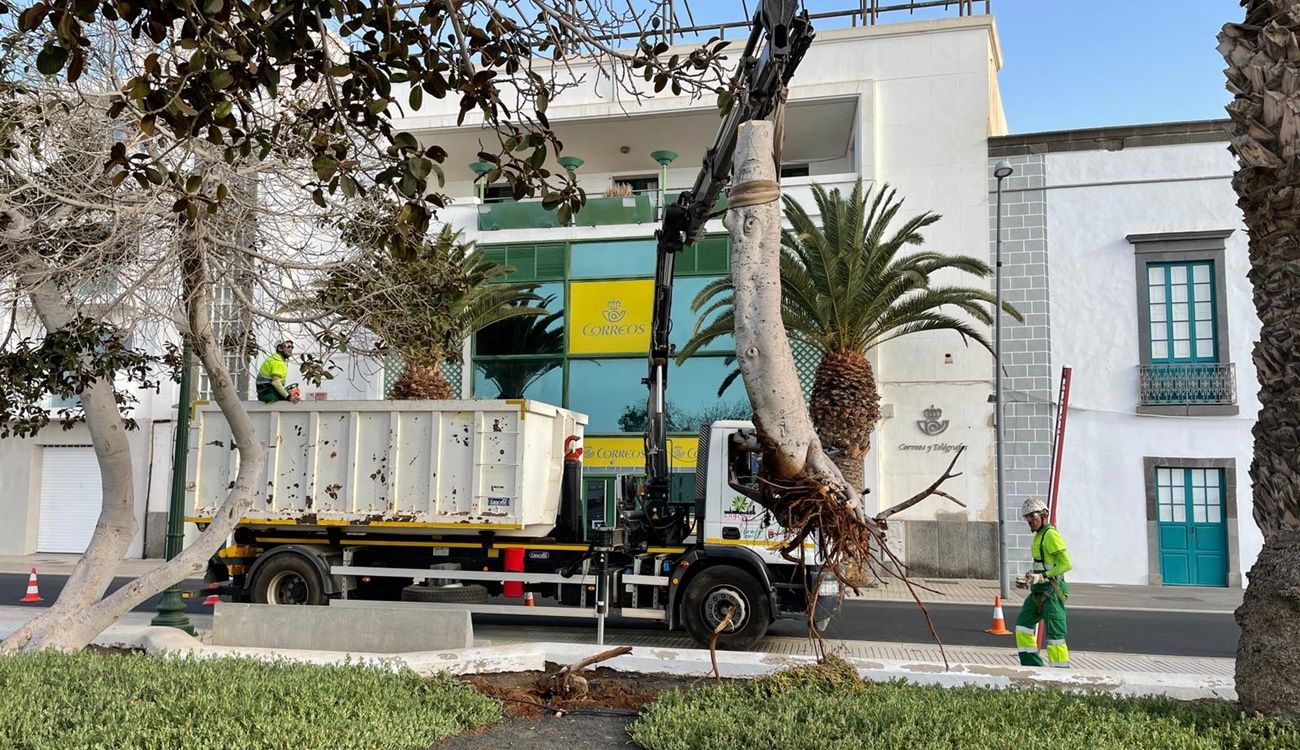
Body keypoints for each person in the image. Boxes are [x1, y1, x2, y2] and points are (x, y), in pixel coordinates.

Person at [1014, 496, 1072, 668]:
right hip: (1038, 590)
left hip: (1052, 591)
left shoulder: (1051, 535)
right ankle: (1033, 669)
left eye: (1033, 516)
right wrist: (1031, 577)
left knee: (1056, 638)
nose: (1030, 521)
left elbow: (1066, 564)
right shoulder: (1039, 536)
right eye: (1028, 517)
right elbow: (1042, 564)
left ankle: (1060, 675)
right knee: (1023, 627)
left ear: (1044, 516)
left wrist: (1043, 576)